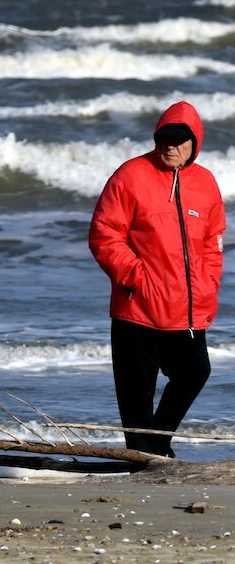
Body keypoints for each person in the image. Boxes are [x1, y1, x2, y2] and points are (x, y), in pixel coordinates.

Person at [88, 101, 226, 456]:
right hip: (138, 306)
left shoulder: (206, 183)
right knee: (136, 393)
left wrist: (208, 284)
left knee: (195, 372)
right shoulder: (131, 175)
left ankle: (158, 443)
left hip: (187, 308)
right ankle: (140, 458)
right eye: (164, 138)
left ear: (195, 144)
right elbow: (104, 235)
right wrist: (136, 277)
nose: (170, 146)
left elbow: (213, 242)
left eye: (179, 140)